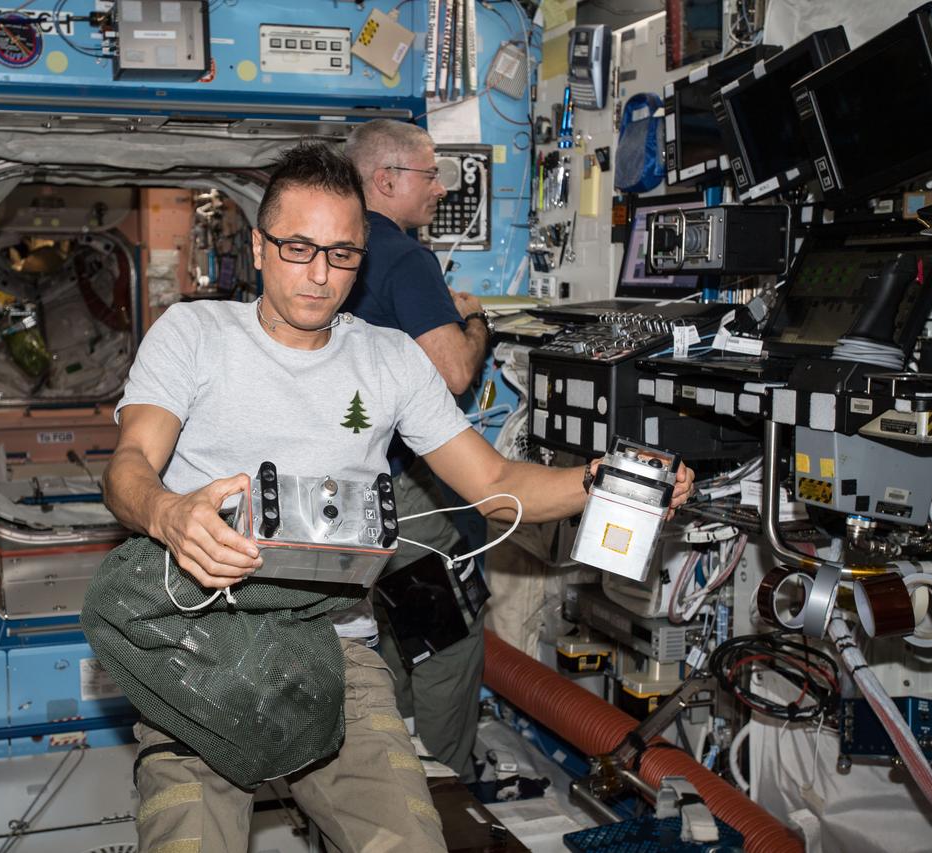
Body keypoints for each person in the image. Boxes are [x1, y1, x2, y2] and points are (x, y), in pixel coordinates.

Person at [81, 142, 693, 852]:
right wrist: (170, 512)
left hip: (335, 646)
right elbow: (128, 467)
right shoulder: (194, 335)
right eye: (298, 247)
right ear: (258, 245)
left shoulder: (389, 359)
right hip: (200, 640)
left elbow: (494, 486)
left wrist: (602, 480)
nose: (319, 274)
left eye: (341, 254)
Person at [343, 118, 492, 782]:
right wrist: (475, 319)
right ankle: (441, 794)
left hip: (353, 488)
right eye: (430, 174)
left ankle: (393, 778)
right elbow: (455, 371)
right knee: (446, 642)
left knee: (394, 640)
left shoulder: (340, 248)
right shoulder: (402, 256)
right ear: (387, 179)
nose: (439, 188)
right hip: (403, 492)